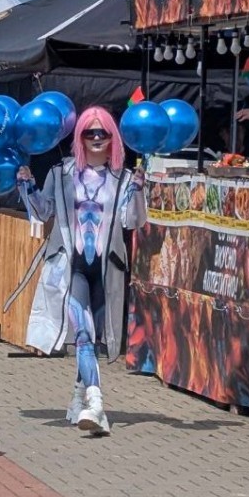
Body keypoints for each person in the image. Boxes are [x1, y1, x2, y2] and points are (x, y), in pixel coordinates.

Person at [15, 106, 146, 436]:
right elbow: (43, 211)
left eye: (103, 133)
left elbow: (134, 222)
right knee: (84, 336)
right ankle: (97, 404)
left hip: (107, 271)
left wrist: (140, 192)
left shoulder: (125, 178)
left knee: (95, 339)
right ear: (80, 137)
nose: (97, 139)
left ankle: (77, 398)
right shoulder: (61, 173)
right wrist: (27, 187)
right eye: (90, 132)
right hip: (70, 267)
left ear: (113, 137)